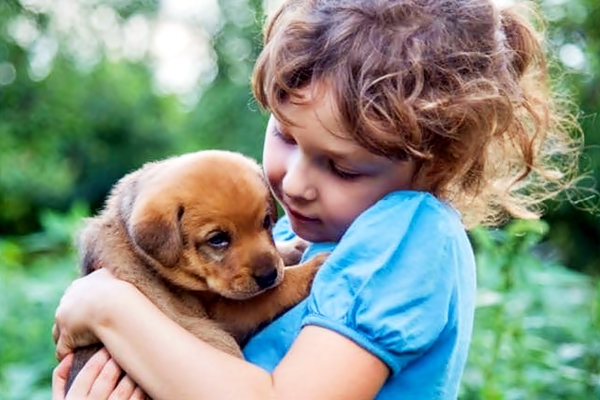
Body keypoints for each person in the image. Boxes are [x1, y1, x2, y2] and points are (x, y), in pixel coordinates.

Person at [52, 0, 582, 398]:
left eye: (342, 166)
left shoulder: (409, 235)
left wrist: (107, 305)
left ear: (434, 163)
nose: (296, 183)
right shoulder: (288, 239)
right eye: (285, 135)